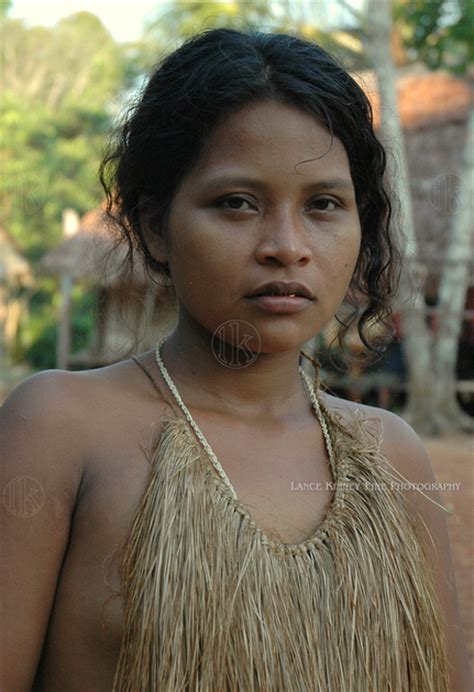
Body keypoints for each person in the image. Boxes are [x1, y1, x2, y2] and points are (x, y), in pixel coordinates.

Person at [1, 28, 472, 692]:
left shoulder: (393, 457)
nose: (286, 246)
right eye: (236, 203)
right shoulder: (57, 428)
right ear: (157, 228)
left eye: (324, 206)